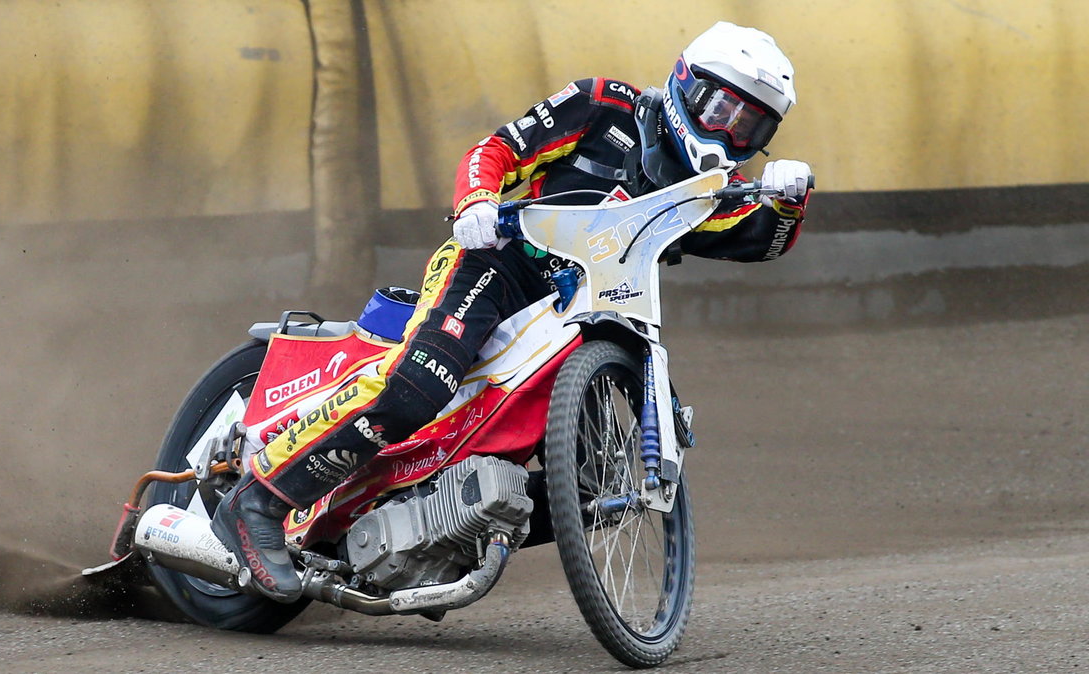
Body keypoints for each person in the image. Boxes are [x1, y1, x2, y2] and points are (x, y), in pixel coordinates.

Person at [212, 20, 813, 602]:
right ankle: (260, 499)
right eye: (721, 108)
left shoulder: (706, 194)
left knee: (596, 485)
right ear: (685, 82)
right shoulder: (604, 104)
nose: (728, 132)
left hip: (590, 310)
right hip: (498, 267)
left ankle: (450, 531)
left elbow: (762, 237)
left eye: (750, 126)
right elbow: (495, 149)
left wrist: (789, 199)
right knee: (422, 381)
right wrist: (477, 200)